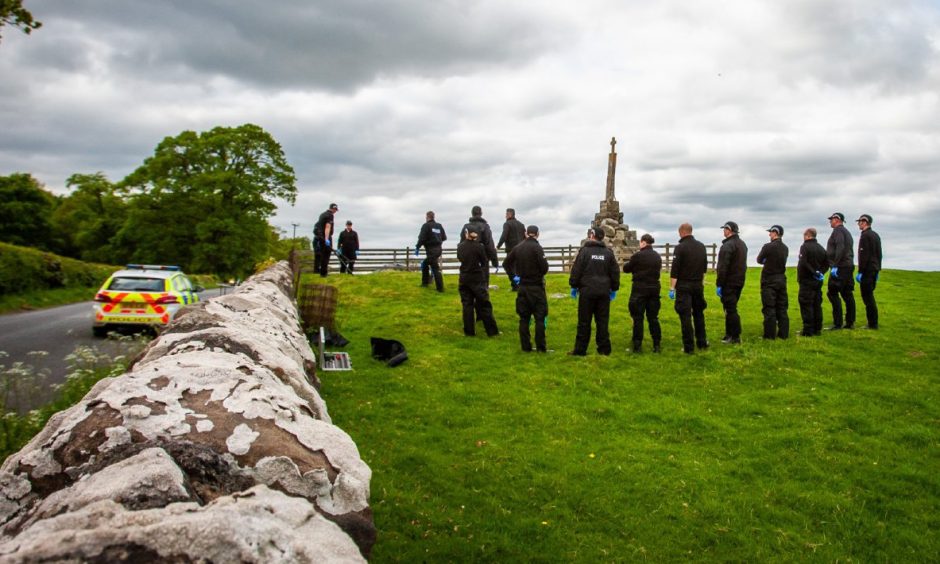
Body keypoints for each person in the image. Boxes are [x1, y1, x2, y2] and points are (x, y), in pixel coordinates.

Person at [568, 227, 620, 356]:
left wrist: (573, 285)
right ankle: (604, 349)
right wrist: (614, 288)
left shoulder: (584, 252)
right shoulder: (608, 253)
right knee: (602, 321)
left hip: (587, 291)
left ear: (592, 235)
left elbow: (576, 270)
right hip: (603, 292)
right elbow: (615, 272)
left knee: (584, 322)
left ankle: (580, 350)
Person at [504, 225, 550, 352]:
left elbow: (506, 263)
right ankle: (541, 347)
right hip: (536, 287)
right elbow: (545, 268)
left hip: (522, 286)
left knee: (524, 318)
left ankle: (526, 347)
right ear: (538, 234)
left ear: (525, 233)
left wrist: (514, 277)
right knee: (540, 318)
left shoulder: (518, 248)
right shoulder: (537, 248)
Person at [669, 223, 709, 354]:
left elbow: (675, 270)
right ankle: (702, 342)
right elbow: (704, 268)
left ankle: (688, 346)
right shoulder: (701, 247)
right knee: (699, 314)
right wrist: (701, 283)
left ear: (681, 232)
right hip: (698, 284)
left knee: (685, 316)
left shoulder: (680, 248)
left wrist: (672, 288)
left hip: (684, 285)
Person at [622, 233, 662, 353]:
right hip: (654, 289)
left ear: (643, 242)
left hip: (639, 289)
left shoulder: (637, 256)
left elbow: (626, 268)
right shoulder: (657, 256)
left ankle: (637, 345)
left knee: (638, 318)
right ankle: (657, 344)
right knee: (653, 318)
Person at [457, 226, 499, 337]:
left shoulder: (460, 247)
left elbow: (460, 258)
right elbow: (484, 261)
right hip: (477, 278)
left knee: (467, 305)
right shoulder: (479, 247)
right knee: (484, 304)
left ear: (466, 233)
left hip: (464, 277)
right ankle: (492, 331)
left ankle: (469, 331)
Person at [716, 221, 747, 344]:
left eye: (725, 229)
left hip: (729, 282)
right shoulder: (742, 244)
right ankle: (728, 334)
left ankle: (735, 336)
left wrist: (719, 284)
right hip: (739, 281)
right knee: (729, 308)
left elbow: (723, 267)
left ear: (729, 230)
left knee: (730, 309)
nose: (724, 231)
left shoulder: (727, 246)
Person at [756, 225, 789, 339]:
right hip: (781, 279)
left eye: (771, 232)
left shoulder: (768, 247)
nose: (769, 234)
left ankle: (769, 335)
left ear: (775, 233)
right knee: (782, 307)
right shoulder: (785, 248)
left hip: (769, 280)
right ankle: (784, 334)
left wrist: (766, 260)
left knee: (769, 307)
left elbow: (759, 260)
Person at [825, 212, 856, 329]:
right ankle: (850, 322)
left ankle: (837, 323)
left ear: (837, 219)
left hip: (841, 267)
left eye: (831, 219)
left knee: (832, 293)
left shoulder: (838, 231)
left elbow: (840, 247)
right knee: (847, 294)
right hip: (848, 265)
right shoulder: (847, 232)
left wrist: (835, 265)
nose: (830, 222)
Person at [796, 227, 828, 337]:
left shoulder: (805, 247)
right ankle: (817, 328)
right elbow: (827, 262)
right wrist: (821, 273)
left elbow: (803, 262)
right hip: (817, 281)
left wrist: (813, 272)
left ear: (807, 236)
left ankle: (807, 330)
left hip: (806, 280)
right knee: (817, 304)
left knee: (806, 304)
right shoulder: (821, 248)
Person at [855, 214, 883, 329]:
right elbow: (879, 254)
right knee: (870, 296)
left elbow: (864, 255)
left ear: (864, 222)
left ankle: (872, 323)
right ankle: (873, 322)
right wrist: (878, 269)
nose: (858, 224)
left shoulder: (865, 236)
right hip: (874, 269)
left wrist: (861, 271)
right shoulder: (876, 235)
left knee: (867, 297)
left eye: (860, 222)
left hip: (867, 270)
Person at [461, 206, 499, 275]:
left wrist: (461, 257)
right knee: (482, 279)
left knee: (468, 279)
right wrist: (495, 261)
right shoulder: (485, 227)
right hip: (482, 258)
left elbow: (461, 244)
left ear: (472, 213)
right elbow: (489, 245)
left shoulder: (466, 227)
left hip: (468, 259)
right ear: (481, 213)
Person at [415, 211, 447, 292]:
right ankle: (425, 283)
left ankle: (440, 288)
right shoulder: (439, 226)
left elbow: (421, 238)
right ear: (433, 217)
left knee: (435, 268)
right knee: (425, 264)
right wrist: (437, 241)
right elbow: (444, 237)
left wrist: (417, 247)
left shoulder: (426, 226)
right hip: (438, 249)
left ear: (427, 217)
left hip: (431, 250)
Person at [498, 208, 526, 291]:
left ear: (510, 214)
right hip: (521, 249)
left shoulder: (507, 224)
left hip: (511, 250)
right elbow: (525, 237)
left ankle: (515, 285)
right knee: (518, 268)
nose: (505, 216)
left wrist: (498, 246)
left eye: (506, 214)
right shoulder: (521, 224)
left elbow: (504, 236)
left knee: (507, 266)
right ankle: (518, 285)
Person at [313, 203, 338, 277]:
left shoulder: (322, 214)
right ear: (333, 209)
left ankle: (322, 273)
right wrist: (327, 239)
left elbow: (317, 225)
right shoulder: (330, 215)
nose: (335, 211)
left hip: (320, 237)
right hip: (325, 236)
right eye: (335, 210)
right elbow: (327, 227)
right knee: (326, 255)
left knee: (323, 255)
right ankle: (324, 273)